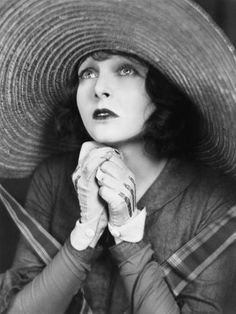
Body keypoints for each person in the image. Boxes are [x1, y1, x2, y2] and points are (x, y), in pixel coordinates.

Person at [1, 0, 236, 313]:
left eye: (126, 70)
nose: (100, 88)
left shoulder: (213, 199)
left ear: (161, 89)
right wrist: (85, 233)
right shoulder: (54, 177)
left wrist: (126, 234)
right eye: (88, 73)